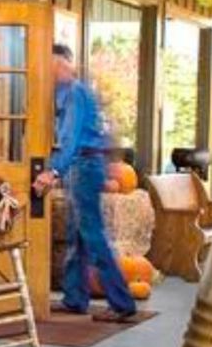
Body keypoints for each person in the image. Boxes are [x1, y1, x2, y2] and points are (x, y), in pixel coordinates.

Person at [33, 43, 136, 322]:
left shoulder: (74, 93)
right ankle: (75, 298)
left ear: (64, 64)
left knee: (93, 235)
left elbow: (72, 139)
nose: (53, 70)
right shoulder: (69, 92)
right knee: (76, 237)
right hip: (87, 165)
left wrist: (52, 172)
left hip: (84, 166)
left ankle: (122, 302)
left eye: (56, 64)